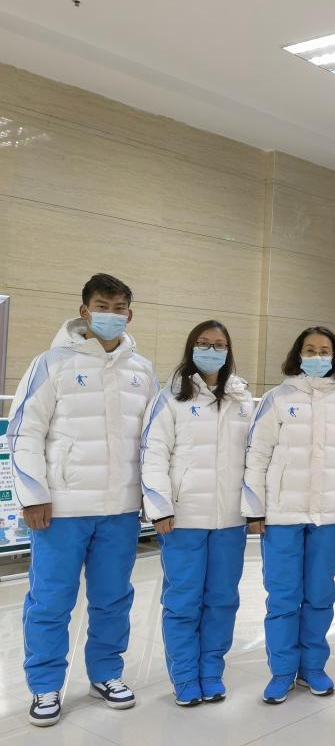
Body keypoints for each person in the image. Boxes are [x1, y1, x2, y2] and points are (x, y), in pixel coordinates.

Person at [9, 274, 158, 727]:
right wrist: (33, 495)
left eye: (119, 307)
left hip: (120, 510)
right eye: (102, 306)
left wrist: (149, 498)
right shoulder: (51, 363)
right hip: (62, 510)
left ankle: (106, 673)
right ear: (84, 311)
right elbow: (24, 432)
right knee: (51, 601)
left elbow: (153, 441)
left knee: (113, 599)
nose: (110, 314)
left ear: (130, 314)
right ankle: (45, 685)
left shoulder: (142, 370)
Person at [242, 327, 335, 705]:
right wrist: (254, 509)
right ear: (298, 355)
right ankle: (281, 672)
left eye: (324, 350)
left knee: (320, 594)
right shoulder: (277, 398)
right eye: (310, 350)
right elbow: (257, 454)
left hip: (328, 515)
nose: (317, 356)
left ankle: (312, 668)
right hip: (282, 514)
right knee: (283, 596)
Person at [140, 320, 252, 706]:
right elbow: (153, 453)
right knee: (184, 601)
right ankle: (185, 677)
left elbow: (255, 457)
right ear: (191, 348)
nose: (211, 350)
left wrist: (254, 508)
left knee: (222, 600)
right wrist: (159, 507)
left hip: (230, 520)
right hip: (183, 519)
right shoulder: (170, 398)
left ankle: (211, 672)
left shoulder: (242, 400)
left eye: (219, 344)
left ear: (229, 351)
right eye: (203, 343)